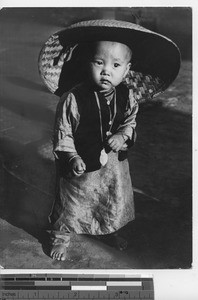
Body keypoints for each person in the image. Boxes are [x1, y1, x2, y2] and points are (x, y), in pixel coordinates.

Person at [39, 19, 181, 261]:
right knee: (70, 204)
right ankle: (60, 238)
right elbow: (64, 132)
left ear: (126, 70)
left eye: (116, 65)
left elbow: (130, 121)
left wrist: (123, 135)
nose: (107, 70)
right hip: (80, 166)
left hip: (113, 167)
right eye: (99, 62)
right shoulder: (72, 98)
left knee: (111, 199)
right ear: (88, 64)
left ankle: (107, 230)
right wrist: (71, 156)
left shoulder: (127, 97)